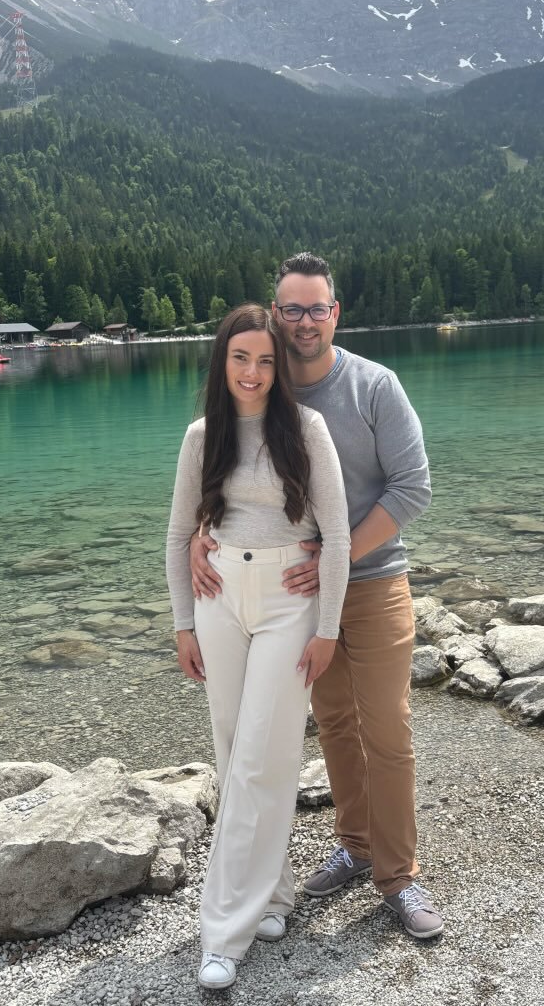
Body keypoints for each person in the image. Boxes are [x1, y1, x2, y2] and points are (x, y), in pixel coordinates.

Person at [191, 253, 443, 939]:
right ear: (276, 314)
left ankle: (399, 876)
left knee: (385, 727)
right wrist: (199, 538)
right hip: (294, 596)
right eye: (292, 309)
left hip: (375, 580)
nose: (304, 321)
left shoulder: (373, 386)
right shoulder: (261, 388)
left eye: (317, 308)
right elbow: (228, 478)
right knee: (332, 723)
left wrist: (338, 557)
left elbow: (413, 488)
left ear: (336, 313)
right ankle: (355, 847)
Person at [165, 302, 351, 991]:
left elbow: (335, 536)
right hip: (218, 597)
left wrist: (327, 629)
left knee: (259, 757)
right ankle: (272, 894)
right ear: (223, 362)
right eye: (241, 358)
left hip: (287, 603)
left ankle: (222, 932)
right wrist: (183, 623)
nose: (252, 372)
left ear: (279, 368)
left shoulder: (306, 430)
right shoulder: (201, 436)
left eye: (266, 361)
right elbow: (177, 533)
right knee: (234, 752)